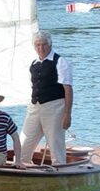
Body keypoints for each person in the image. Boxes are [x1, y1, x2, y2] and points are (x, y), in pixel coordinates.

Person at [20, 31, 73, 166]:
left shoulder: (60, 62)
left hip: (55, 107)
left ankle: (60, 170)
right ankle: (24, 169)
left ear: (50, 45)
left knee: (55, 144)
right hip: (35, 107)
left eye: (44, 45)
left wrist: (67, 115)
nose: (41, 48)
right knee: (23, 144)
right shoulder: (34, 64)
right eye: (37, 45)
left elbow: (68, 89)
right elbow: (34, 86)